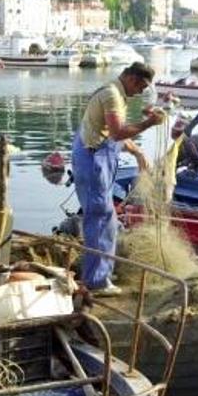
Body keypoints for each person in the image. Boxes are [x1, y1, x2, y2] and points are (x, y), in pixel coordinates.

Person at [71, 62, 165, 296]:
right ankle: (96, 282)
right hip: (93, 161)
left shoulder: (116, 93)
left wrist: (136, 150)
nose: (141, 92)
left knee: (105, 219)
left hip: (96, 156)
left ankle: (99, 272)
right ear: (132, 78)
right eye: (141, 86)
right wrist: (148, 124)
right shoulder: (112, 96)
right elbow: (117, 133)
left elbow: (110, 133)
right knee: (101, 218)